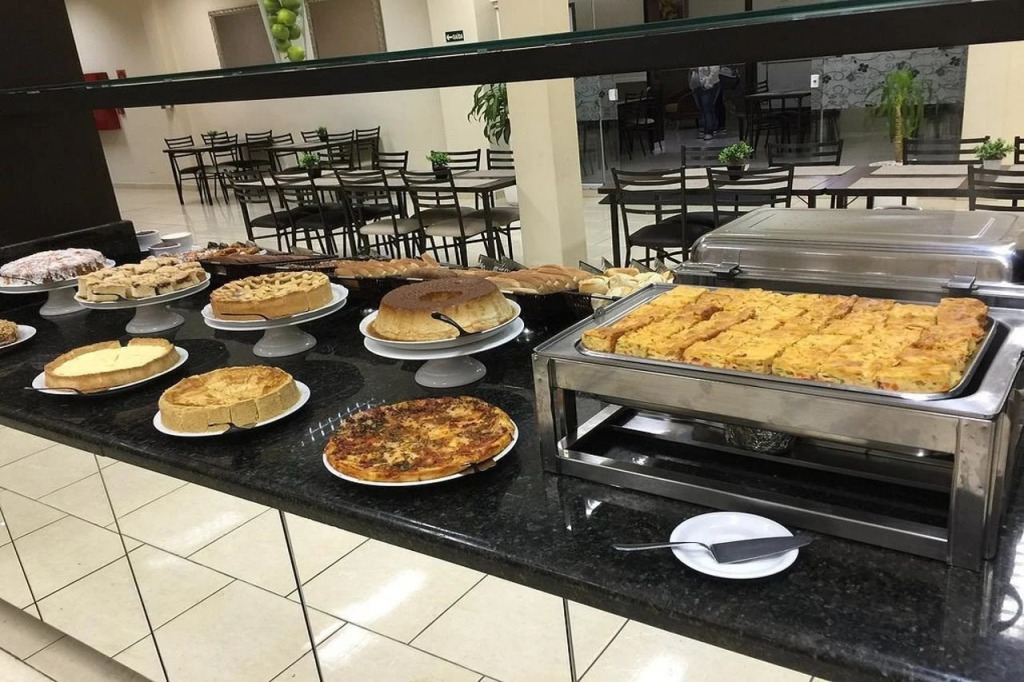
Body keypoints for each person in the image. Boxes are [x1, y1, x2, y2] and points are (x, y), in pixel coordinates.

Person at [690, 65, 721, 141]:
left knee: (707, 109)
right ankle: (704, 129)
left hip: (708, 86)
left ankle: (709, 132)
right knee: (702, 109)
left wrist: (707, 84)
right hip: (696, 87)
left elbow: (715, 71)